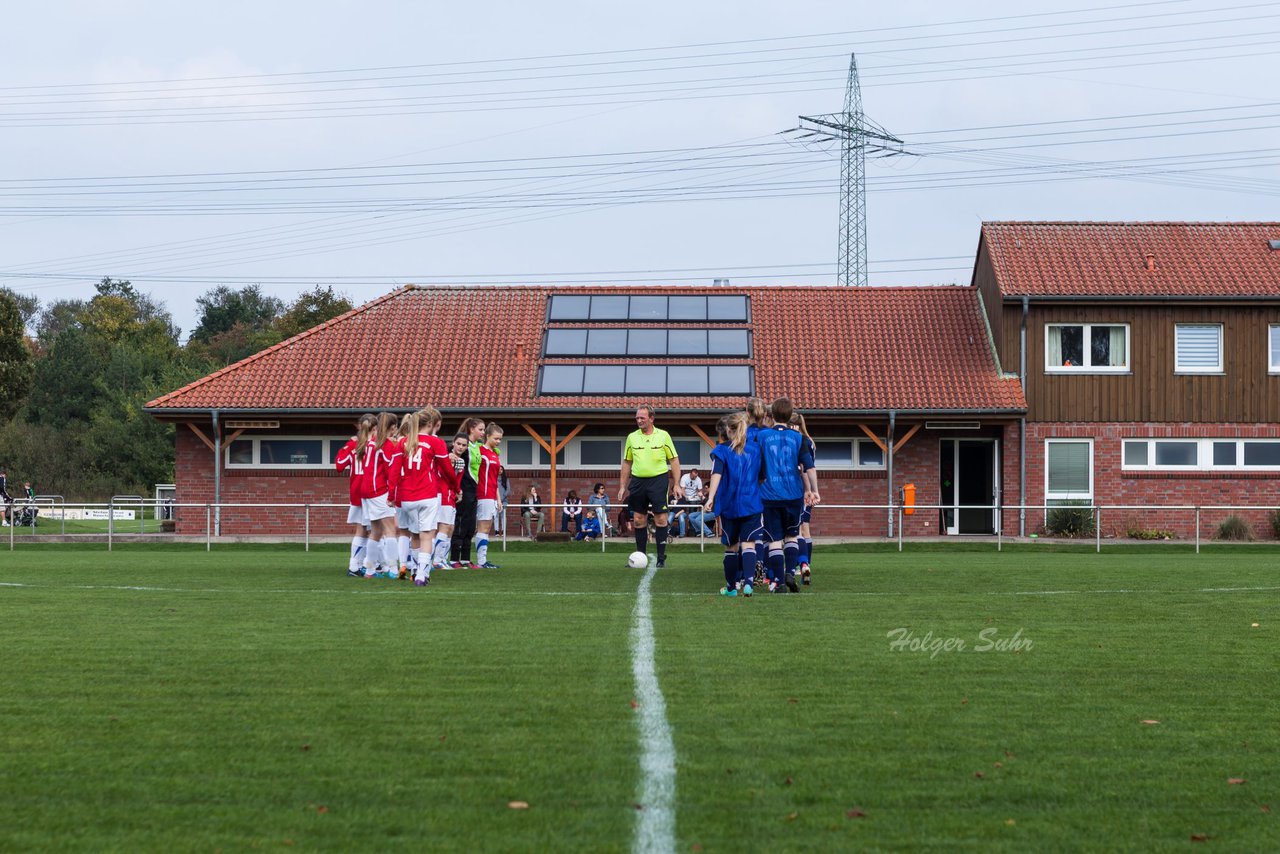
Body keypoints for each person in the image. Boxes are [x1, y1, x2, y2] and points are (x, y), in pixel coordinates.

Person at [756, 397, 820, 593]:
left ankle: (779, 582)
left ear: (772, 414)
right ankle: (791, 571)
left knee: (774, 539)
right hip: (793, 494)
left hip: (769, 494)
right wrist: (814, 491)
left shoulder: (762, 435)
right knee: (793, 535)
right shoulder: (798, 438)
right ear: (790, 414)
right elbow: (809, 467)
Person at [704, 411, 765, 597]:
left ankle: (731, 588)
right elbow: (762, 476)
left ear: (728, 430)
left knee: (731, 546)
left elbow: (716, 475)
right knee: (749, 545)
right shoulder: (756, 449)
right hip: (752, 503)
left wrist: (710, 498)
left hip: (729, 505)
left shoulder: (721, 450)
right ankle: (748, 584)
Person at [390, 407, 449, 587]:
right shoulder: (435, 442)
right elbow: (446, 469)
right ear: (430, 424)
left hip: (407, 497)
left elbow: (394, 471)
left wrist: (392, 494)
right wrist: (455, 487)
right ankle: (422, 575)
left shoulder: (403, 443)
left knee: (413, 535)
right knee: (427, 535)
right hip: (427, 494)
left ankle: (415, 570)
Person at [618, 404, 681, 568]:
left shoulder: (663, 436)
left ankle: (661, 558)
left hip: (658, 481)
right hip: (638, 481)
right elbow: (627, 462)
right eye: (637, 418)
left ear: (651, 418)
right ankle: (640, 557)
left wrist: (677, 484)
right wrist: (622, 486)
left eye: (642, 418)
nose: (639, 421)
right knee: (639, 520)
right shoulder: (632, 437)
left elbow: (674, 460)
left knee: (661, 518)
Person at [334, 414, 375, 576]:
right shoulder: (375, 445)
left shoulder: (352, 444)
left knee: (364, 530)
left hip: (356, 492)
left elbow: (339, 465)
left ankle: (359, 564)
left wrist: (348, 446)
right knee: (372, 530)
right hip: (371, 492)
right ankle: (359, 565)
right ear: (375, 429)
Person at [450, 417, 486, 568]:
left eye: (484, 430)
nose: (483, 433)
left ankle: (465, 558)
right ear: (472, 429)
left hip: (474, 490)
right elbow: (449, 450)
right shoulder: (464, 447)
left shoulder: (477, 446)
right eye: (481, 429)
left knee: (471, 525)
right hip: (463, 490)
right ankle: (453, 558)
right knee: (460, 523)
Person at [789, 411, 818, 586]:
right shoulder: (809, 441)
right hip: (805, 489)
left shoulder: (798, 441)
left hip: (798, 488)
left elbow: (805, 468)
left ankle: (801, 563)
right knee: (805, 527)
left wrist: (808, 490)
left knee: (797, 530)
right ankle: (806, 564)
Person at [431, 433, 467, 570]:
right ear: (453, 443)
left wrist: (458, 491)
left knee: (450, 528)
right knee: (443, 527)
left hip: (451, 495)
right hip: (443, 493)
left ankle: (442, 559)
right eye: (458, 444)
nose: (461, 447)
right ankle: (436, 560)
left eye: (464, 445)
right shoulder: (447, 457)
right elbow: (448, 477)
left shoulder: (460, 461)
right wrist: (459, 490)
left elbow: (456, 480)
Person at [473, 422, 504, 569]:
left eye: (500, 439)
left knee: (487, 528)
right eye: (496, 438)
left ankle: (483, 560)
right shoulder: (480, 451)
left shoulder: (494, 454)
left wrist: (498, 499)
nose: (498, 442)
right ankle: (481, 561)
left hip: (491, 495)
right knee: (483, 528)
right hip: (483, 493)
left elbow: (495, 479)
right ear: (487, 436)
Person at [495, 470, 510, 535]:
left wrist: (501, 498)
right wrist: (497, 499)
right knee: (496, 516)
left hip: (504, 500)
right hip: (495, 500)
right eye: (498, 469)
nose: (499, 471)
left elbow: (508, 490)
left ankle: (503, 531)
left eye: (501, 469)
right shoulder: (494, 479)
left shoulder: (506, 480)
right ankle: (497, 531)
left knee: (503, 516)